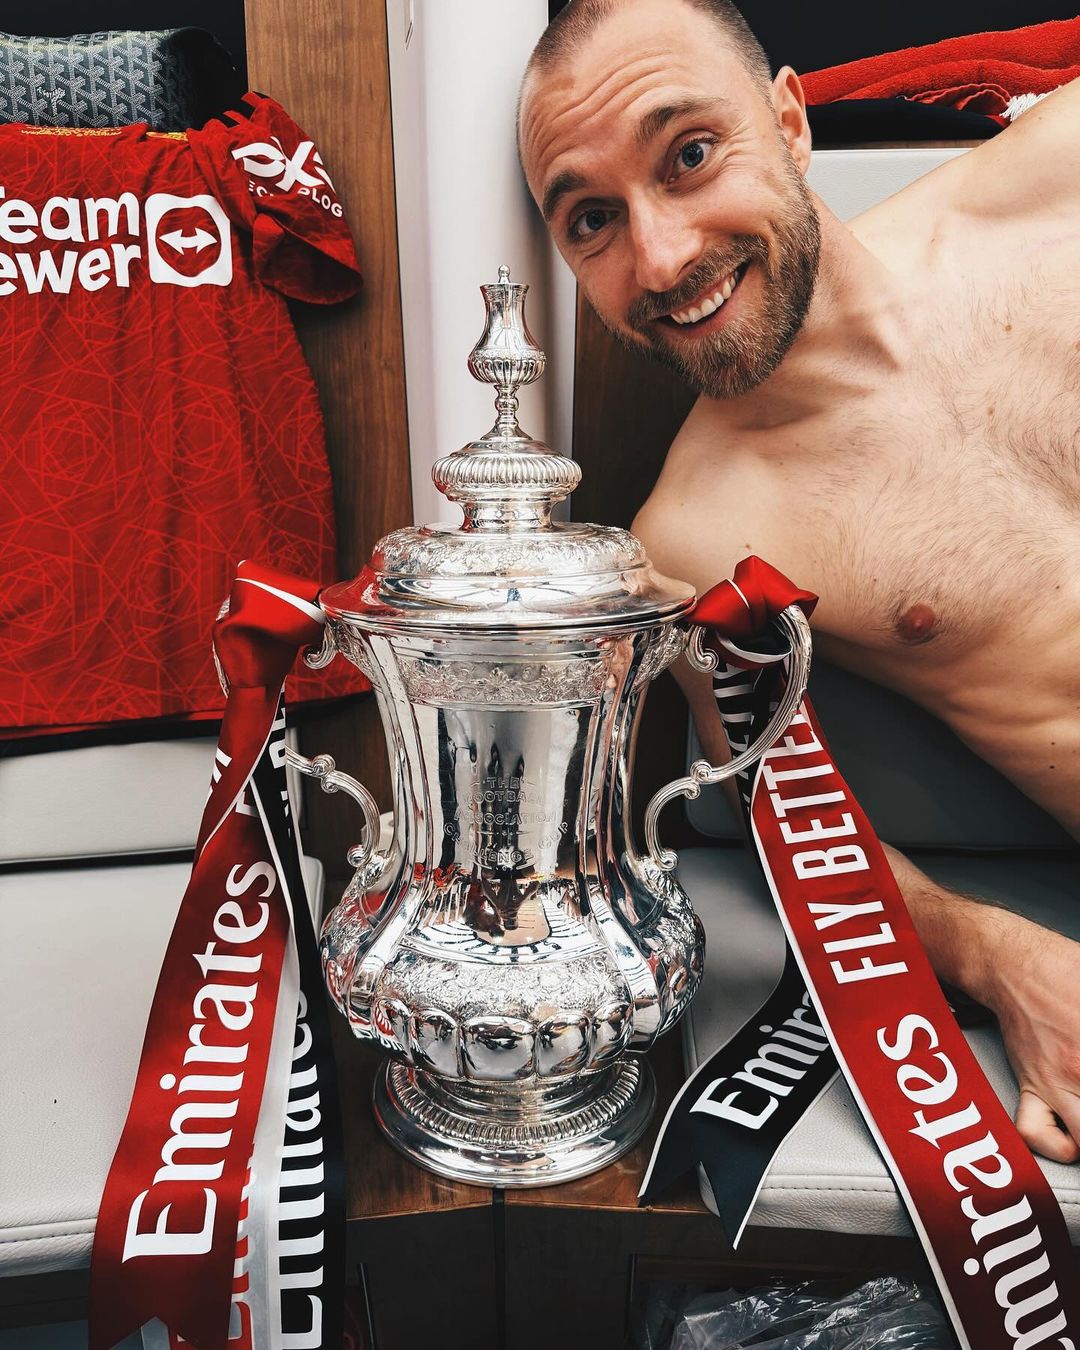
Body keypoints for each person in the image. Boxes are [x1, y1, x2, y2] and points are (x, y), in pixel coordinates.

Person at [517, 0, 1080, 1164]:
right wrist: (1000, 955)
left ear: (789, 119)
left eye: (689, 155)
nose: (662, 259)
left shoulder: (1057, 177)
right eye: (592, 221)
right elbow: (803, 834)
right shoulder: (697, 539)